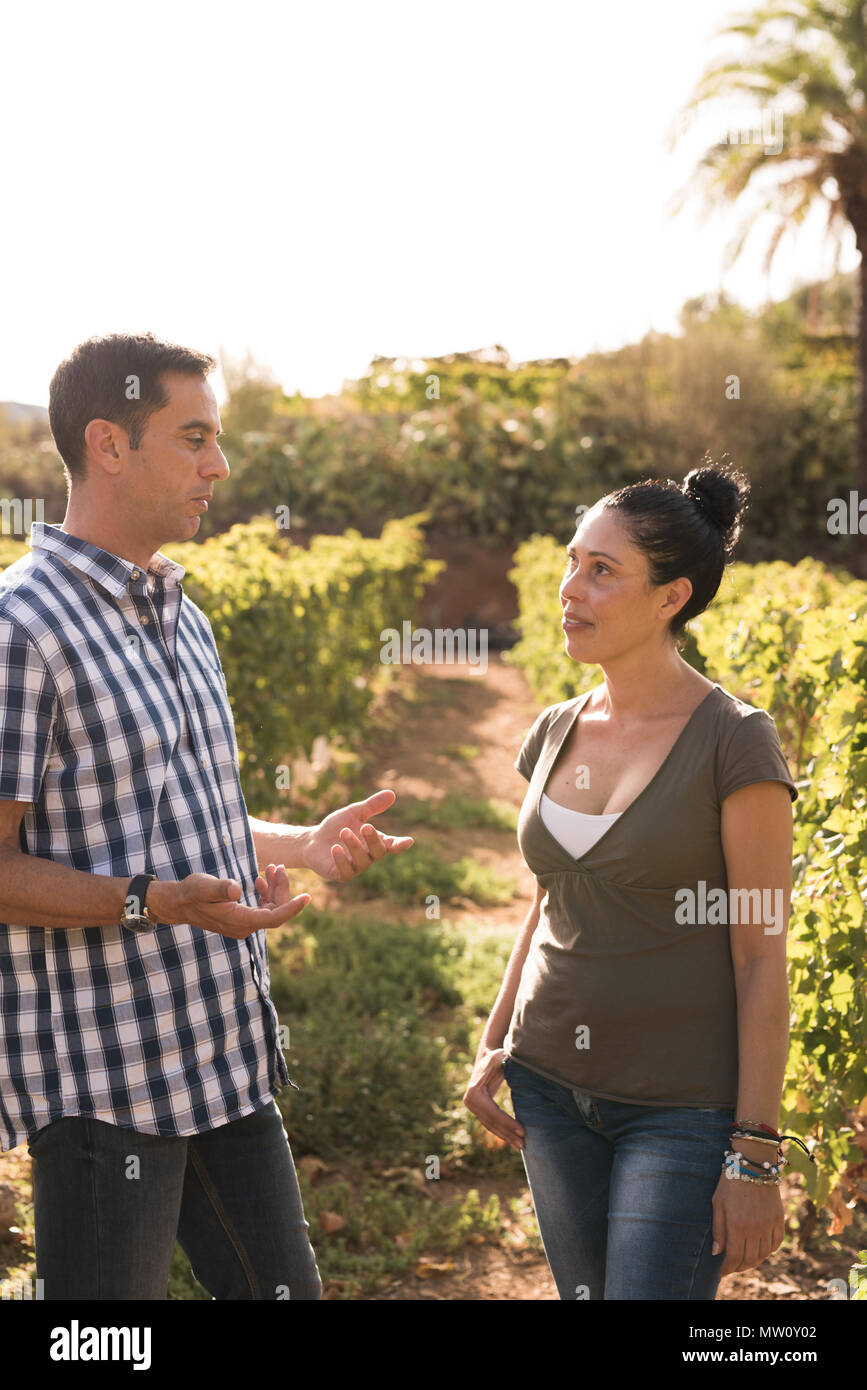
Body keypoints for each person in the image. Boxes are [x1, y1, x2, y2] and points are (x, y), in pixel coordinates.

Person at [0, 331, 414, 1300]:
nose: (219, 465)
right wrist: (153, 903)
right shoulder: (22, 631)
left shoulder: (185, 615)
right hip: (108, 1091)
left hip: (224, 1057)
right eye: (194, 437)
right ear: (108, 442)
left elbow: (189, 815)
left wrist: (300, 842)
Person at [463, 463, 800, 1300]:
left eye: (602, 571)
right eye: (572, 562)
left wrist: (756, 1152)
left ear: (669, 598)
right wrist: (493, 1040)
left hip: (680, 1112)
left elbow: (761, 955)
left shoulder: (735, 744)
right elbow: (548, 898)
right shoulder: (554, 729)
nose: (570, 589)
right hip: (545, 1089)